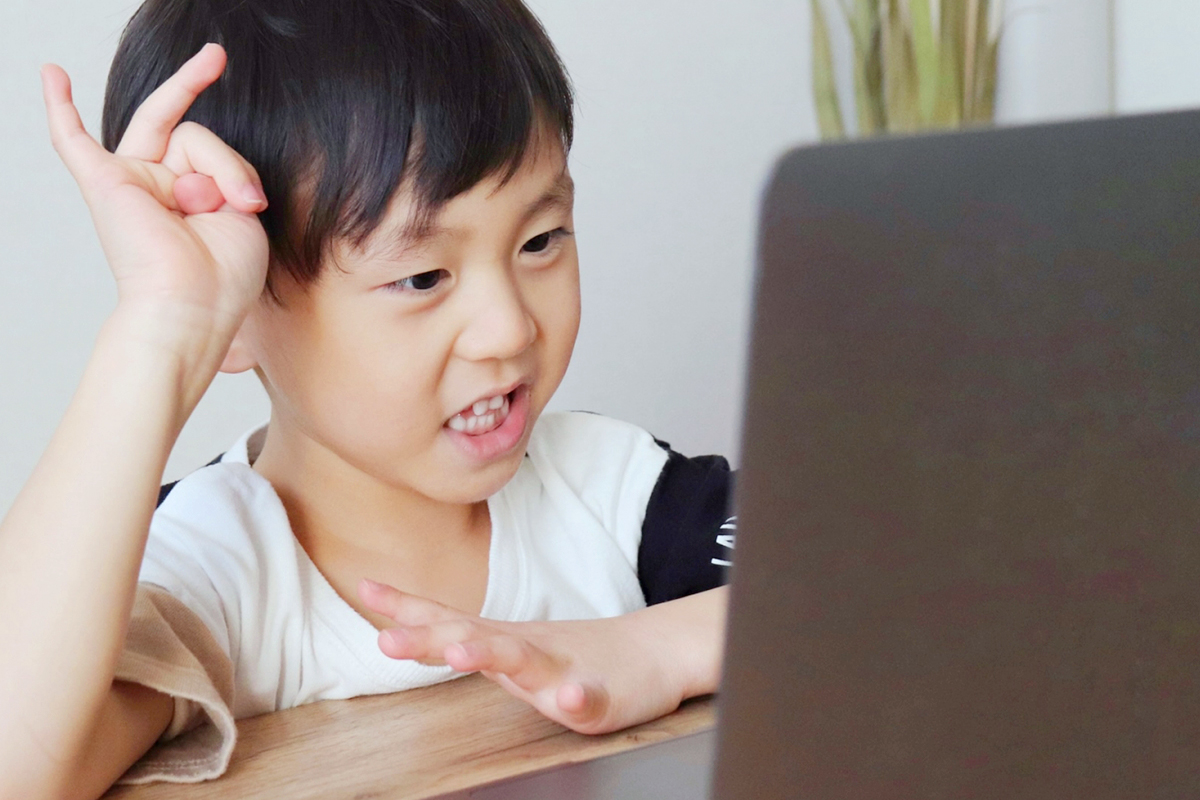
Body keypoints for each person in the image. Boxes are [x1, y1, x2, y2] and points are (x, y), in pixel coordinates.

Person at [0, 0, 735, 797]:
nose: (508, 328)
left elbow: (838, 582)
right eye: (421, 277)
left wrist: (653, 649)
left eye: (539, 240)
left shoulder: (612, 490)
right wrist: (164, 324)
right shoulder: (208, 568)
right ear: (241, 315)